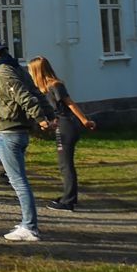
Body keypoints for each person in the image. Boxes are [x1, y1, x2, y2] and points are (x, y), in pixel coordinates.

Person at [0, 36, 56, 241]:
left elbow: (24, 96)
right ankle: (27, 223)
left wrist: (42, 119)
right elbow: (36, 93)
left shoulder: (3, 72)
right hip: (15, 130)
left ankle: (29, 227)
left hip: (9, 131)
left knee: (18, 181)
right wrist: (51, 114)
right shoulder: (14, 67)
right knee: (19, 179)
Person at [28, 56, 96, 212]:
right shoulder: (44, 89)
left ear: (38, 71)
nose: (30, 73)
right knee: (63, 164)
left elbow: (70, 104)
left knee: (66, 165)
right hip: (60, 124)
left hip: (67, 126)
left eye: (31, 70)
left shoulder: (56, 86)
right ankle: (68, 196)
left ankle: (69, 201)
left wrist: (85, 120)